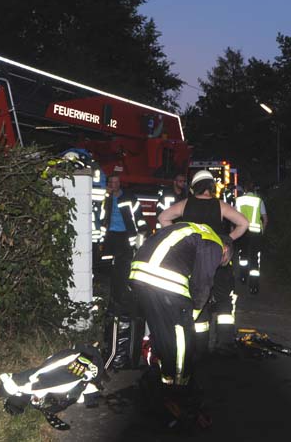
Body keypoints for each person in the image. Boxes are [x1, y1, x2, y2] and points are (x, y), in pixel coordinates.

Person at [129, 222, 233, 419]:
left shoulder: (195, 231)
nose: (218, 265)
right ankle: (177, 390)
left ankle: (160, 380)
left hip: (139, 273)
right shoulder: (215, 243)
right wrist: (190, 316)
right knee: (181, 340)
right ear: (225, 249)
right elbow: (202, 284)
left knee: (164, 335)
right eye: (222, 262)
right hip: (164, 277)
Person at [157, 170, 248, 354]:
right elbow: (243, 223)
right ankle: (224, 345)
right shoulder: (220, 206)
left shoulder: (185, 205)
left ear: (194, 187)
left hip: (194, 263)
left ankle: (199, 347)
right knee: (223, 303)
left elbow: (162, 218)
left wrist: (179, 238)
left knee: (198, 302)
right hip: (218, 261)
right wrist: (226, 240)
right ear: (211, 187)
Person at [99, 173, 148, 311]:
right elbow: (100, 215)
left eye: (115, 182)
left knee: (124, 266)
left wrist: (142, 229)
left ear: (119, 183)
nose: (113, 185)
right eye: (111, 182)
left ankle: (123, 295)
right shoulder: (106, 198)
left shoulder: (128, 197)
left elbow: (138, 215)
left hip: (125, 235)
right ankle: (112, 296)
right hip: (110, 236)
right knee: (109, 267)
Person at [234, 181, 268, 294]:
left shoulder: (239, 200)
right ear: (254, 189)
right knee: (254, 259)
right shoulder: (259, 201)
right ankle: (254, 286)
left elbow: (234, 217)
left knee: (243, 256)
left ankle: (243, 277)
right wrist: (262, 231)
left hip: (242, 232)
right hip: (255, 234)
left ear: (244, 189)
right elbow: (265, 219)